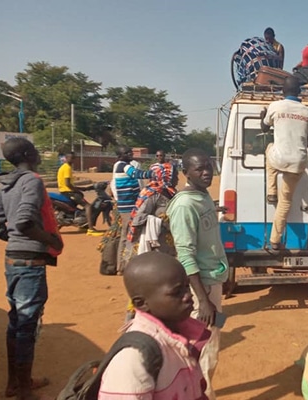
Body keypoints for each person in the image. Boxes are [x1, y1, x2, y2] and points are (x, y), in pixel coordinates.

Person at [0, 138, 64, 400]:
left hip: (13, 260)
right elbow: (23, 221)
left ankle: (15, 383)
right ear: (29, 153)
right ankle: (24, 391)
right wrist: (48, 240)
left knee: (17, 322)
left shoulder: (6, 183)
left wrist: (19, 243)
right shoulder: (31, 180)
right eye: (35, 148)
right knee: (27, 326)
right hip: (30, 263)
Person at [98, 252, 210, 400]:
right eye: (176, 292)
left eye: (187, 286)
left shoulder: (181, 336)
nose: (188, 295)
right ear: (141, 303)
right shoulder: (133, 359)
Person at [166, 148, 229, 400]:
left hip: (213, 280)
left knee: (209, 345)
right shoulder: (184, 206)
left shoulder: (201, 196)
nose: (206, 172)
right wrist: (202, 299)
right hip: (201, 285)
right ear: (185, 173)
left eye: (209, 167)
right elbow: (185, 255)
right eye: (199, 168)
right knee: (205, 347)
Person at [260, 76, 308, 251]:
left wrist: (263, 115)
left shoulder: (276, 106)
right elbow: (307, 142)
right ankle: (275, 240)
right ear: (299, 92)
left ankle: (271, 191)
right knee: (286, 202)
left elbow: (264, 128)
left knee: (269, 148)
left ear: (282, 91)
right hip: (298, 162)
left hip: (279, 158)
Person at [122, 162, 179, 321]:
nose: (177, 177)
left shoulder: (171, 193)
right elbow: (138, 219)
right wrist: (160, 221)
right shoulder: (152, 194)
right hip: (152, 247)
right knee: (147, 282)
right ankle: (132, 318)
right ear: (165, 176)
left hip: (166, 247)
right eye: (174, 175)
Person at [110, 146, 154, 273]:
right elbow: (136, 174)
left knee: (128, 235)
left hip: (129, 205)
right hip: (128, 207)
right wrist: (153, 173)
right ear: (120, 156)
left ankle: (123, 265)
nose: (130, 154)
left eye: (130, 152)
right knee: (128, 235)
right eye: (126, 153)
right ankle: (123, 266)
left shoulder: (123, 165)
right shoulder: (122, 165)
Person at [57, 151, 103, 236]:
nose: (72, 160)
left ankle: (82, 225)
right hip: (69, 192)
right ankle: (91, 229)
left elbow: (68, 184)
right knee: (88, 206)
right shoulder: (67, 168)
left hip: (64, 191)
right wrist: (77, 191)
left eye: (73, 158)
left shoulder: (63, 167)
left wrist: (81, 188)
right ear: (66, 158)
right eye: (70, 158)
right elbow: (67, 184)